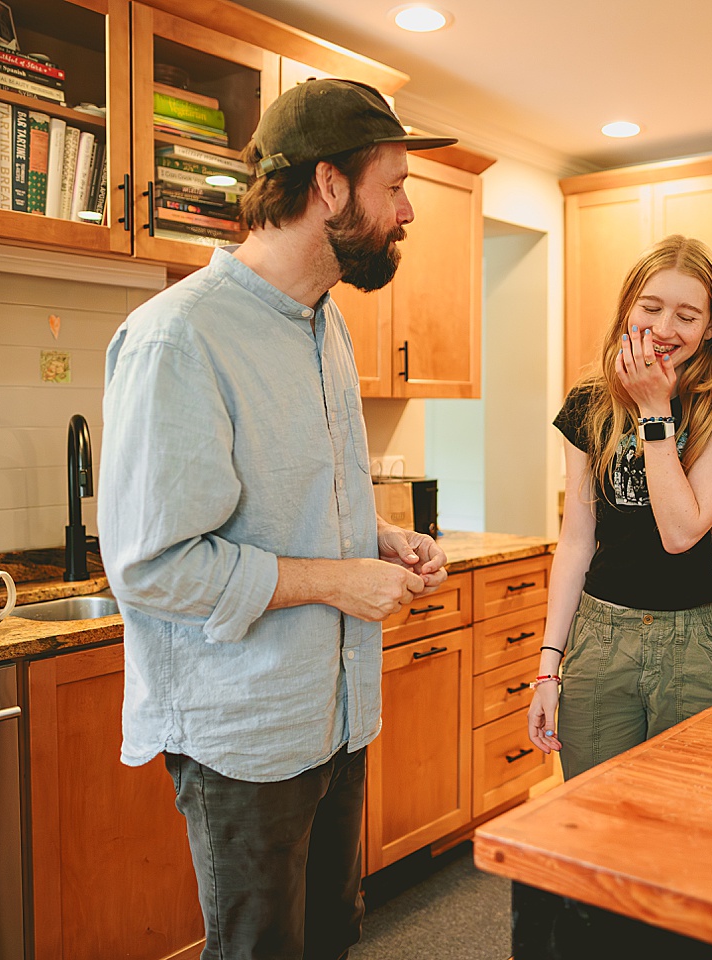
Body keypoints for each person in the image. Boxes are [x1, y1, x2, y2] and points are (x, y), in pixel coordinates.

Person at [98, 79, 456, 960]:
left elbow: (303, 494)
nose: (408, 209)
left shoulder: (324, 324)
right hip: (244, 742)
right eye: (395, 184)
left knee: (332, 939)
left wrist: (379, 538)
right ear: (329, 187)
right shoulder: (177, 338)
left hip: (332, 714)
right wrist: (340, 582)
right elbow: (152, 566)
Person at [526, 234, 712, 779]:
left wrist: (653, 411)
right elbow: (576, 541)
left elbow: (681, 531)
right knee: (594, 814)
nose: (664, 329)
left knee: (691, 825)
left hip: (696, 644)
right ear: (628, 309)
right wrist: (549, 667)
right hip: (599, 640)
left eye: (687, 315)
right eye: (651, 308)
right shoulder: (590, 402)